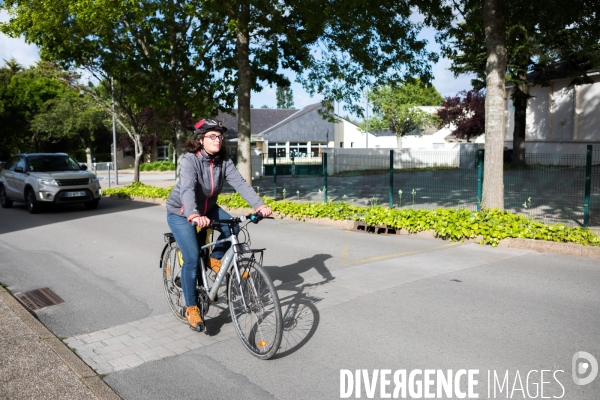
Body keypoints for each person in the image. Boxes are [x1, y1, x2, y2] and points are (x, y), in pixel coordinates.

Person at [165, 119, 271, 331]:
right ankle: (192, 306)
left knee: (232, 227)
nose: (218, 139)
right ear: (200, 139)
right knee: (193, 258)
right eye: (212, 136)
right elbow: (186, 189)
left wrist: (259, 205)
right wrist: (193, 214)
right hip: (182, 211)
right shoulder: (190, 160)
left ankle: (214, 259)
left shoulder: (223, 161)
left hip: (208, 208)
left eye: (220, 136)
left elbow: (240, 183)